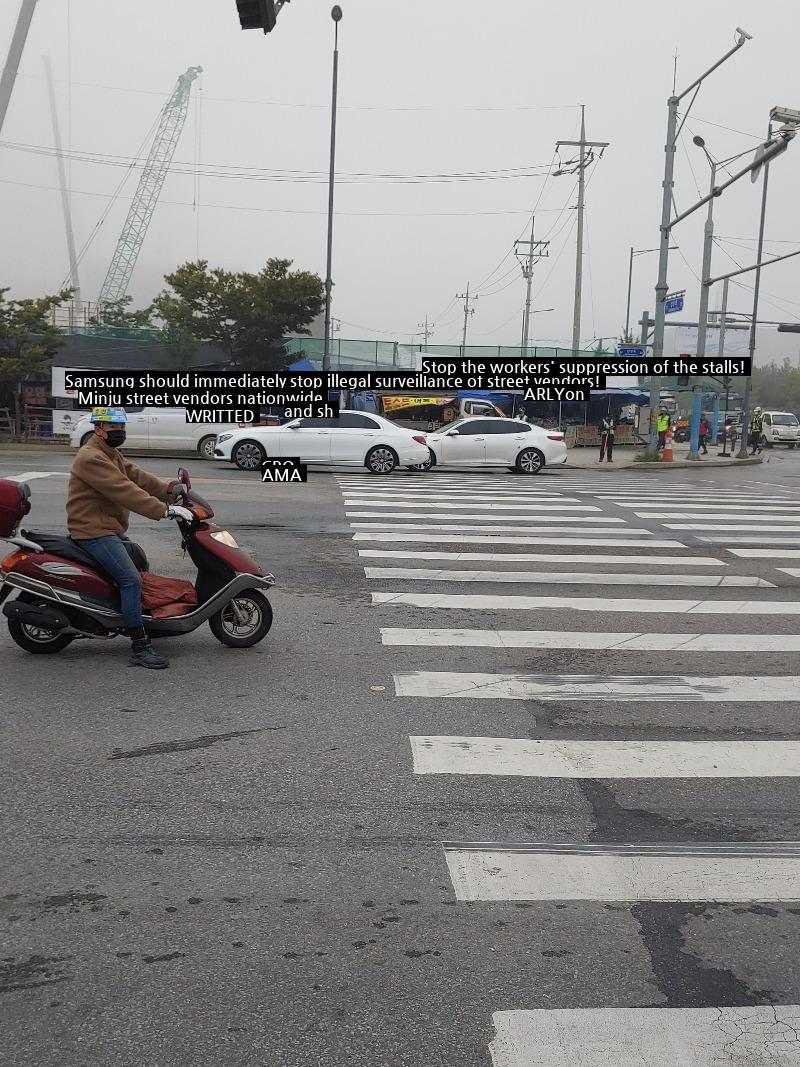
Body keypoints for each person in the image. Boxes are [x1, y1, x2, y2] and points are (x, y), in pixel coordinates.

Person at [67, 408, 193, 669]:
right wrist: (164, 509)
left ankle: (134, 618)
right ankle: (139, 646)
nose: (120, 433)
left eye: (122, 428)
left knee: (138, 561)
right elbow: (124, 490)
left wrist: (170, 490)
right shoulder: (91, 457)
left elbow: (137, 476)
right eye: (114, 429)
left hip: (107, 528)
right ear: (99, 428)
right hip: (93, 531)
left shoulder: (110, 453)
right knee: (131, 580)